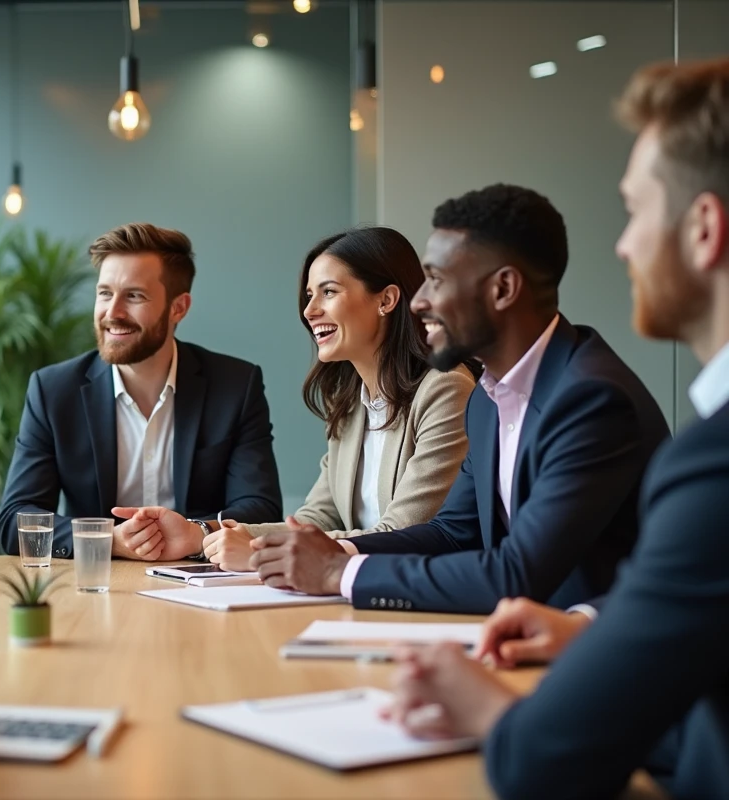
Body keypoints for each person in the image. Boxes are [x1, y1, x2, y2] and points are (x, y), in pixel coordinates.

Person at [384, 57, 729, 800]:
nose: (623, 245)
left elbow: (544, 762)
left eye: (635, 212)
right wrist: (593, 627)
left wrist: (484, 705)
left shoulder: (711, 460)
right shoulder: (488, 399)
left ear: (704, 229)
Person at [250, 184, 670, 614]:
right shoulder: (488, 400)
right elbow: (451, 533)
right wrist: (337, 555)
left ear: (503, 289)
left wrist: (338, 572)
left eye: (436, 280)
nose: (419, 302)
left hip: (592, 641)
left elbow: (515, 574)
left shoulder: (590, 399)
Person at [0, 222, 283, 560]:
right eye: (105, 293)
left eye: (134, 296)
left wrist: (196, 533)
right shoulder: (53, 391)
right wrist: (107, 540)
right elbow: (15, 521)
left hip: (199, 577)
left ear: (178, 307)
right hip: (97, 579)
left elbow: (261, 509)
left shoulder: (235, 386)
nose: (112, 313)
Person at [201, 227, 474, 571]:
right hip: (349, 587)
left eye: (328, 291)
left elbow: (403, 533)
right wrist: (202, 533)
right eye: (309, 296)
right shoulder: (348, 403)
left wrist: (261, 553)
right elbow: (317, 519)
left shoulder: (445, 389)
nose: (309, 310)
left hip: (413, 590)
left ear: (386, 300)